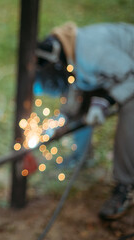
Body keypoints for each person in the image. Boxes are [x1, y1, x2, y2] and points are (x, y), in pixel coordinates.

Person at [35, 22, 134, 220]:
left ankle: (126, 186)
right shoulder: (72, 54)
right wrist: (63, 119)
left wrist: (106, 101)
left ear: (55, 65)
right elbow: (77, 94)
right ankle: (80, 156)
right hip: (122, 74)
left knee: (130, 108)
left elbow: (130, 76)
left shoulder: (91, 52)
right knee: (84, 107)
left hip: (131, 76)